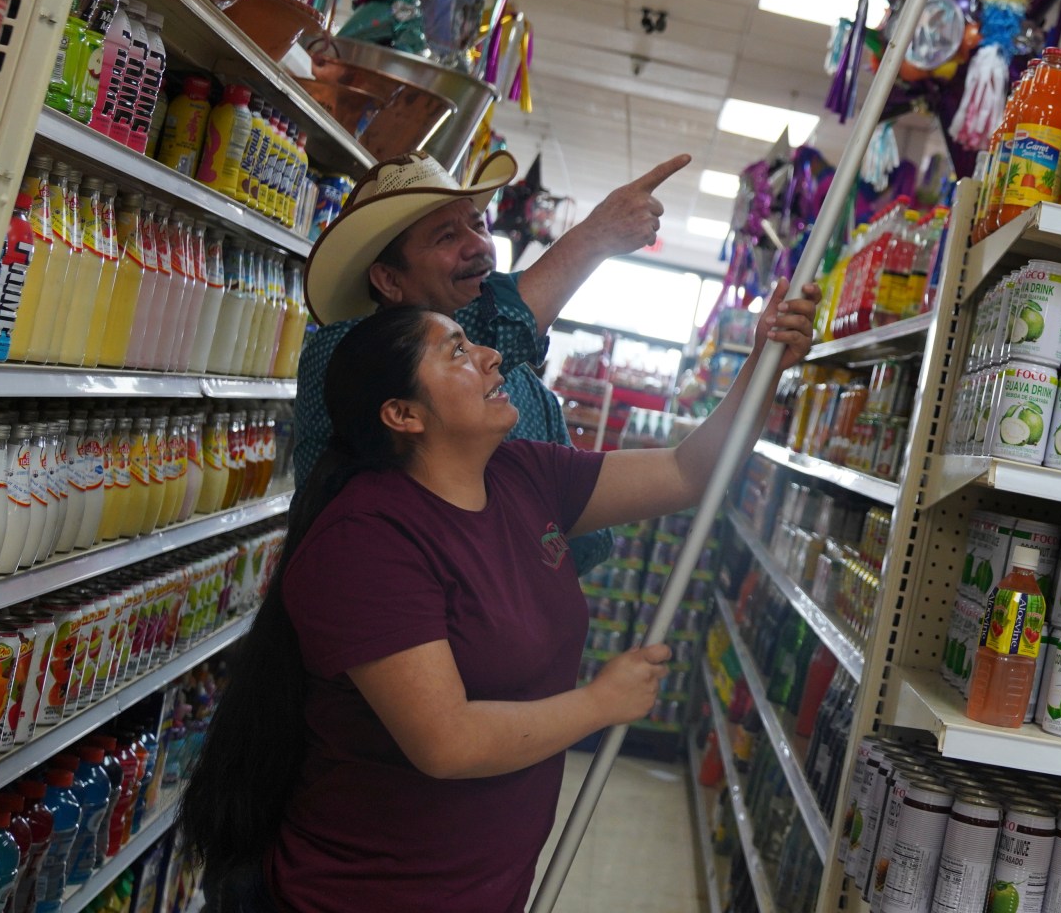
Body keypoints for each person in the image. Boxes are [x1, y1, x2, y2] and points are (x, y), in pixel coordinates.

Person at [182, 284, 816, 913]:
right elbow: (447, 740)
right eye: (456, 351)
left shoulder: (524, 475)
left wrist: (763, 367)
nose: (490, 356)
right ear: (402, 414)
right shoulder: (366, 540)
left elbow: (688, 472)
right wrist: (598, 703)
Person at [290, 149, 691, 566]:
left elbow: (588, 535)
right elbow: (498, 327)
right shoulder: (341, 352)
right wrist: (595, 236)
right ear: (390, 279)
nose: (479, 244)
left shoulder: (529, 392)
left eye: (478, 224)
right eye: (446, 236)